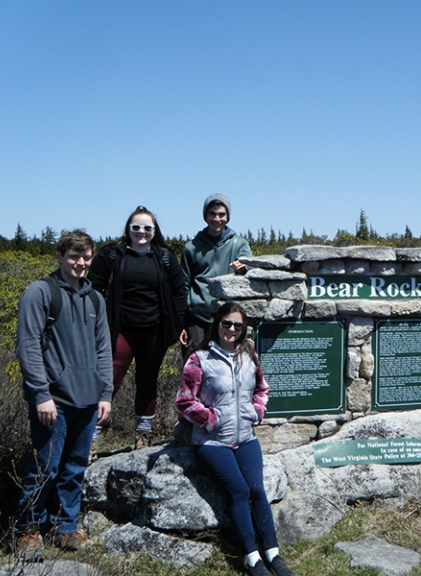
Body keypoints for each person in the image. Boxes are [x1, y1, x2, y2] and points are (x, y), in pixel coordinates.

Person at [14, 230, 113, 560]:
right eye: (74, 256)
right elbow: (28, 347)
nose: (80, 262)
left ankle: (65, 527)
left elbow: (103, 349)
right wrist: (41, 394)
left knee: (74, 468)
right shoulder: (40, 293)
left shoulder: (95, 298)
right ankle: (27, 531)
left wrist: (106, 394)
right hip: (53, 401)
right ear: (59, 256)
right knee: (44, 468)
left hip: (88, 399)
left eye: (86, 257)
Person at [175, 302, 294, 576]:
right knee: (239, 491)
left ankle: (273, 554)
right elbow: (184, 401)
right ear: (217, 323)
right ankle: (252, 558)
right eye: (226, 323)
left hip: (246, 438)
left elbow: (262, 389)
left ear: (243, 329)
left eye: (237, 325)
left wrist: (257, 411)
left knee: (257, 490)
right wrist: (210, 420)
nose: (231, 329)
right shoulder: (199, 358)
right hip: (212, 443)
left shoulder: (248, 354)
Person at [89, 206, 186, 449]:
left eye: (146, 228)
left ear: (154, 231)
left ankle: (143, 436)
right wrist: (95, 319)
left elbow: (179, 292)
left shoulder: (164, 257)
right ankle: (90, 438)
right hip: (119, 329)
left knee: (147, 382)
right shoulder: (112, 254)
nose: (141, 232)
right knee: (108, 380)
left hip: (154, 330)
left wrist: (178, 324)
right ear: (128, 229)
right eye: (136, 227)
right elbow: (93, 287)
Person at [180, 194, 252, 353]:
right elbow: (183, 285)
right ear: (205, 215)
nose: (217, 218)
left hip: (229, 318)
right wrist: (182, 323)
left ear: (228, 216)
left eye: (221, 214)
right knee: (195, 367)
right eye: (212, 213)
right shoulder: (191, 248)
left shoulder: (239, 244)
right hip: (197, 317)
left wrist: (243, 268)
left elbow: (253, 273)